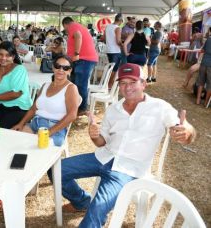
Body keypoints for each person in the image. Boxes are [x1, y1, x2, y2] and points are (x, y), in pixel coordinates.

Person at [57, 63, 196, 227]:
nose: (127, 87)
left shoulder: (160, 107)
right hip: (104, 157)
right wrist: (94, 135)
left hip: (128, 169)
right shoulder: (113, 109)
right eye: (123, 83)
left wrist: (187, 131)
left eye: (133, 82)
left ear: (143, 84)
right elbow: (102, 142)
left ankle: (94, 214)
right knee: (57, 169)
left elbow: (185, 130)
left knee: (95, 212)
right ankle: (81, 201)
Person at [12, 55, 80, 146]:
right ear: (53, 67)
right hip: (35, 123)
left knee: (34, 146)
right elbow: (33, 109)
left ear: (69, 71)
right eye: (57, 66)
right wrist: (21, 124)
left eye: (65, 68)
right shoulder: (45, 85)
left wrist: (49, 132)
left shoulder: (71, 88)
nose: (61, 70)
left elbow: (72, 115)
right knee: (15, 140)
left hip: (55, 128)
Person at [62, 17, 98, 116]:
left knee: (80, 84)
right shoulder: (79, 26)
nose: (66, 30)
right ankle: (75, 105)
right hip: (82, 59)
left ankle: (82, 108)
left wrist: (76, 53)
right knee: (74, 83)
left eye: (65, 28)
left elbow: (78, 36)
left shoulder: (73, 26)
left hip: (83, 59)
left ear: (65, 24)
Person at [105, 13, 123, 88]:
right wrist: (123, 44)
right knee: (114, 69)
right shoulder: (117, 28)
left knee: (111, 68)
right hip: (115, 51)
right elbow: (118, 41)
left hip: (109, 50)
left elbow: (103, 38)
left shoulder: (108, 26)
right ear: (121, 20)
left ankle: (108, 83)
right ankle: (109, 85)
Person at [196, 27, 211, 105]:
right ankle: (206, 102)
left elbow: (202, 50)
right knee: (210, 84)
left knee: (201, 82)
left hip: (204, 63)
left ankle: (198, 100)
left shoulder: (208, 40)